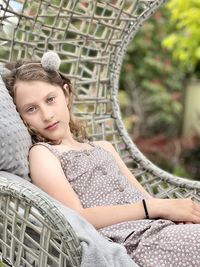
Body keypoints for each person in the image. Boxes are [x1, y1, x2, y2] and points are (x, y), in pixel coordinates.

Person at [3, 52, 200, 267]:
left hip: (161, 229)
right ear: (22, 117)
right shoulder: (43, 153)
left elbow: (145, 197)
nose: (47, 115)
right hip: (133, 241)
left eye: (50, 99)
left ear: (66, 94)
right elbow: (76, 218)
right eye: (31, 109)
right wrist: (153, 208)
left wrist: (176, 214)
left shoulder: (104, 147)